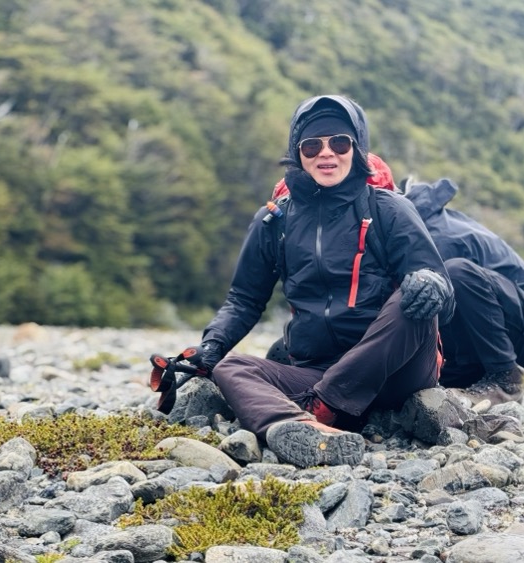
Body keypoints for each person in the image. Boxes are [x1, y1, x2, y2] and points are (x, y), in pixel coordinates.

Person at [176, 95, 455, 468]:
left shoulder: (388, 209)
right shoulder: (274, 221)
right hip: (316, 370)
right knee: (231, 367)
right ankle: (296, 428)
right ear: (298, 153)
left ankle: (324, 409)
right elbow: (244, 300)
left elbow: (445, 296)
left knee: (414, 296)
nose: (327, 154)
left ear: (357, 148)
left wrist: (431, 284)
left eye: (339, 143)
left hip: (396, 372)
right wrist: (210, 348)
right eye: (312, 145)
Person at [402, 176, 524, 405]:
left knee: (453, 273)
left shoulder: (434, 235)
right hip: (486, 330)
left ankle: (504, 378)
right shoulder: (418, 221)